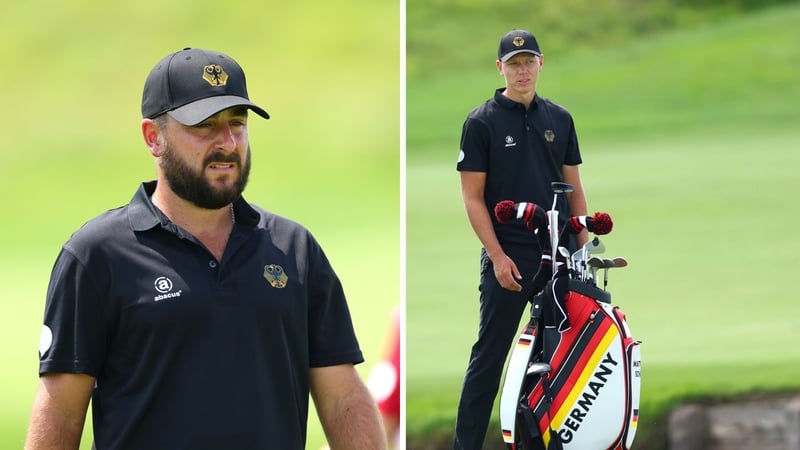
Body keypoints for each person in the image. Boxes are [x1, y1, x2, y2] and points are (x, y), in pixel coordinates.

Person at [25, 48, 387, 450]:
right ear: (153, 137)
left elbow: (343, 399)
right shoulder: (95, 255)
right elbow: (61, 411)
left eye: (237, 123)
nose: (227, 142)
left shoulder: (294, 249)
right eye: (205, 126)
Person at [453, 29, 589, 449]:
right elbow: (473, 199)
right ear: (501, 69)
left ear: (541, 63)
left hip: (558, 253)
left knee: (561, 360)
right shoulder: (481, 122)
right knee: (489, 359)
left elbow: (575, 190)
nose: (522, 70)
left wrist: (581, 247)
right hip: (509, 257)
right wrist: (496, 256)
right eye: (514, 64)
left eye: (529, 61)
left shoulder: (560, 119)